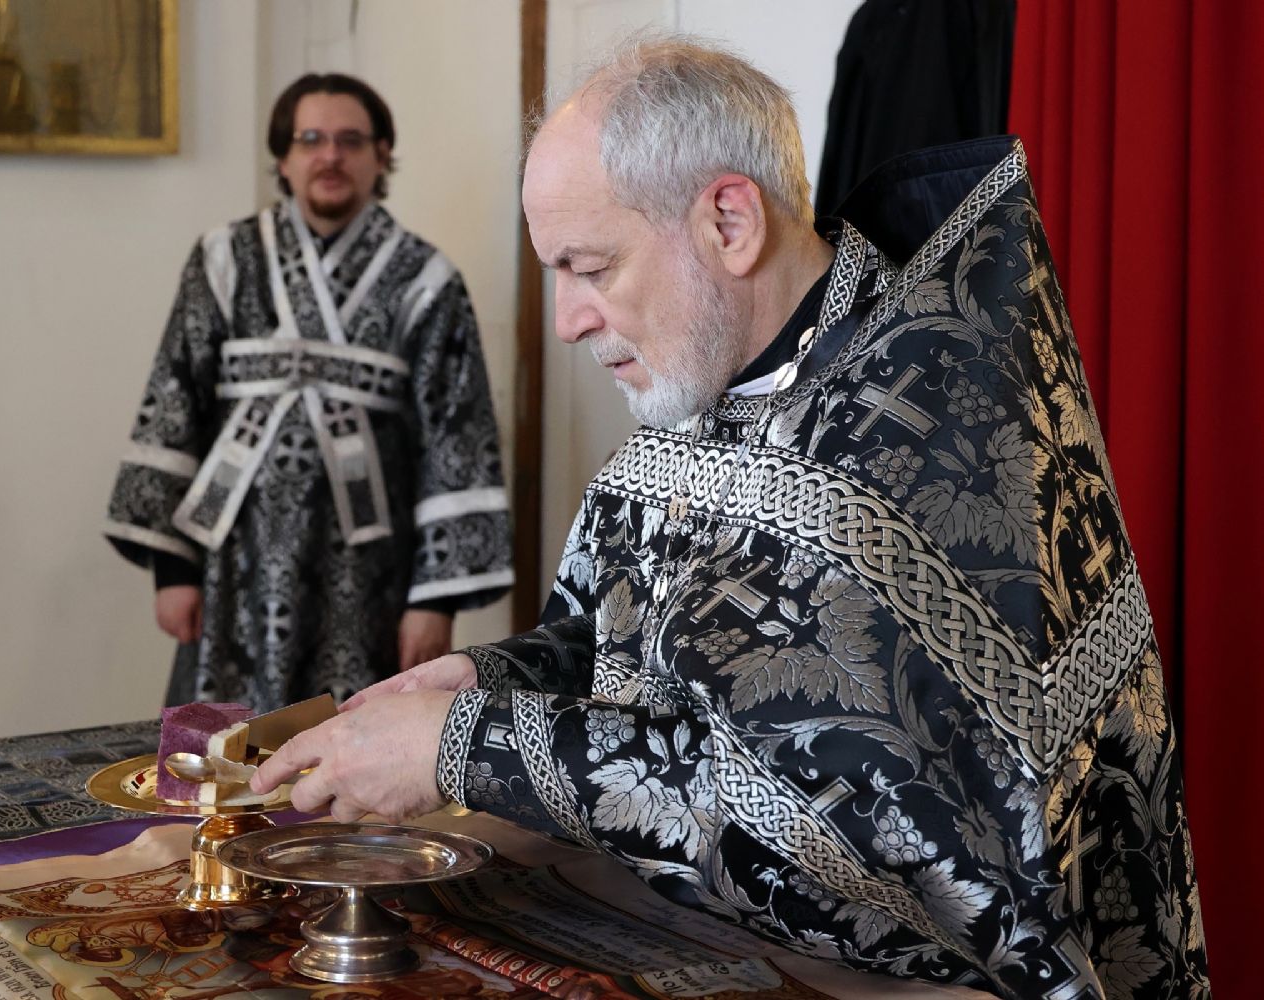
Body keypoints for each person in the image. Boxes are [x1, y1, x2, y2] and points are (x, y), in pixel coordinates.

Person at [249, 38, 1210, 999]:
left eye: (590, 267)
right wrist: (487, 677)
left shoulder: (933, 429)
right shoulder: (718, 382)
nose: (567, 319)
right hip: (702, 940)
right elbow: (640, 647)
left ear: (728, 221)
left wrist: (467, 744)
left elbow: (844, 824)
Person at [104, 73, 513, 711]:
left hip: (370, 579)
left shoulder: (426, 280)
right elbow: (176, 399)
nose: (330, 156)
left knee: (355, 753)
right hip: (231, 569)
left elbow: (456, 439)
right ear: (284, 158)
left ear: (381, 155)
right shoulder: (224, 259)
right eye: (311, 139)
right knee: (221, 751)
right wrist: (173, 572)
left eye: (350, 140)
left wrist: (434, 603)